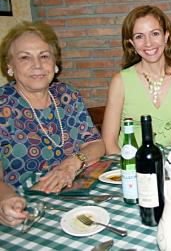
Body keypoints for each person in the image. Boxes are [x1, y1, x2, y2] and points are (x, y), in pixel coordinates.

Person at [0, 21, 105, 227]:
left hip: (75, 202)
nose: (37, 65)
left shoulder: (67, 95)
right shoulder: (3, 106)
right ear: (9, 67)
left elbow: (96, 144)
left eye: (44, 56)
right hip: (23, 207)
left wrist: (72, 163)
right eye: (24, 58)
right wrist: (5, 199)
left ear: (55, 63)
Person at [102, 5, 171, 153]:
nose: (148, 43)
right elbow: (109, 143)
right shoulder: (120, 81)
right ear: (132, 44)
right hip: (128, 167)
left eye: (155, 34)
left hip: (170, 166)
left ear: (166, 36)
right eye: (139, 36)